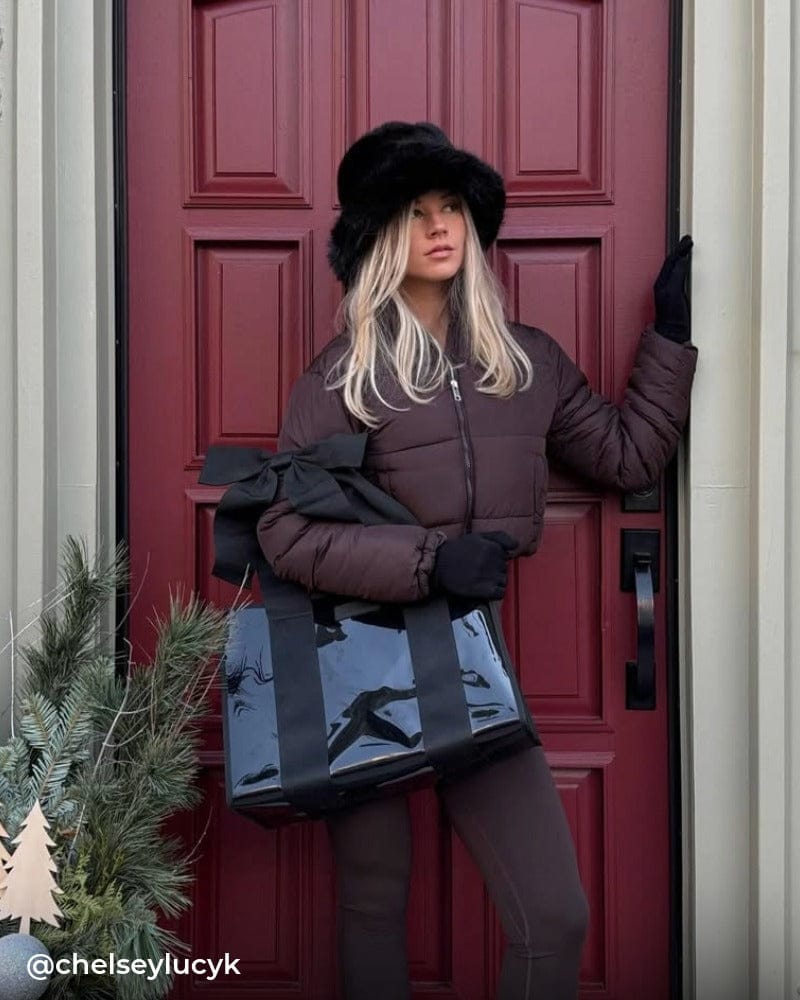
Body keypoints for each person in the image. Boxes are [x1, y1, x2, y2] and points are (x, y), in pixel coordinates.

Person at [256, 122, 697, 1000]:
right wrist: (430, 562)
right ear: (382, 239)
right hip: (363, 665)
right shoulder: (344, 376)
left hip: (470, 664)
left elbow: (627, 459)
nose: (440, 227)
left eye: (452, 207)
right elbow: (287, 533)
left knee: (554, 913)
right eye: (416, 213)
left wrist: (670, 339)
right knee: (375, 900)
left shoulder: (525, 361)